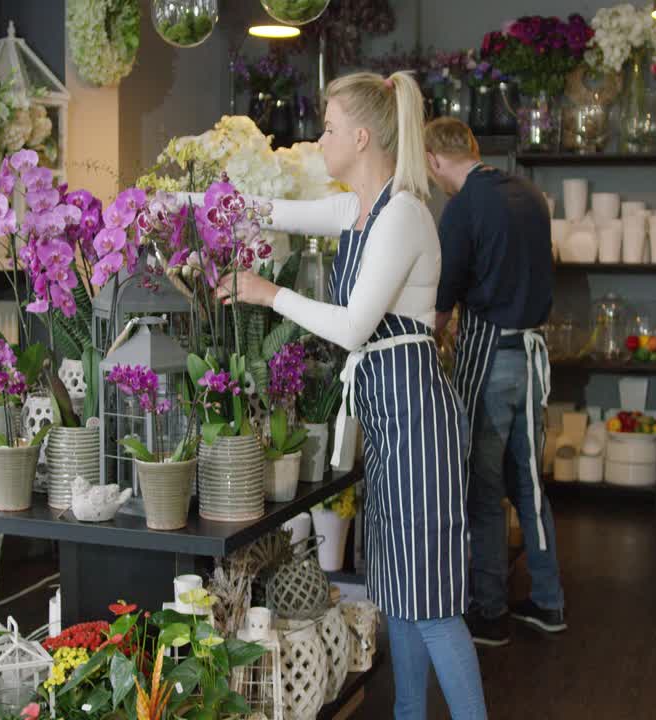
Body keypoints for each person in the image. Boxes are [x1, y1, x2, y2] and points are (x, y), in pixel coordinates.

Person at [216, 73, 488, 720]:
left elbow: (352, 327)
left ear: (361, 137)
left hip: (418, 418)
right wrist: (187, 201)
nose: (319, 139)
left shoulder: (402, 215)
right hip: (389, 413)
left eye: (330, 128)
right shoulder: (358, 209)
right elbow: (273, 211)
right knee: (398, 594)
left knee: (434, 603)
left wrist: (265, 292)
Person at [424, 117, 565, 647]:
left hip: (490, 359)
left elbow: (442, 305)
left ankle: (489, 611)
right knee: (528, 483)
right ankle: (549, 601)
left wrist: (426, 343)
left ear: (436, 161)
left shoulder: (463, 209)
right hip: (533, 356)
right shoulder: (529, 195)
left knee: (482, 488)